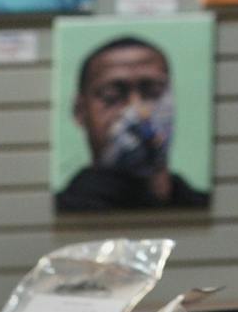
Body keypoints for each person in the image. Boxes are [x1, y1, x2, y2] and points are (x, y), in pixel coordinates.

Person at [57, 36, 210, 210]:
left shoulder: (197, 203)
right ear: (80, 111)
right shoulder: (65, 207)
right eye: (112, 95)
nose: (136, 112)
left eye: (153, 92)